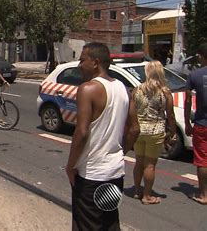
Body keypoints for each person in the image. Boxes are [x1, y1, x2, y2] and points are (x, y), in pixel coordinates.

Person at [66, 42, 139, 230]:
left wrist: (70, 165)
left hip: (91, 175)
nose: (79, 64)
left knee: (86, 225)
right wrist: (121, 152)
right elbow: (134, 129)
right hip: (115, 172)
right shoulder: (123, 88)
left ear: (95, 62)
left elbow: (81, 132)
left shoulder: (87, 88)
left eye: (83, 60)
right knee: (110, 222)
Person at [132, 61, 176, 205]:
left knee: (139, 162)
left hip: (139, 130)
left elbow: (131, 111)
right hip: (155, 131)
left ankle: (137, 190)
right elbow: (170, 115)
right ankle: (147, 196)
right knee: (150, 165)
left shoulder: (137, 89)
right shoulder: (165, 92)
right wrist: (173, 132)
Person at [184, 42, 207, 205]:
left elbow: (187, 101)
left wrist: (187, 123)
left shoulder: (195, 75)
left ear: (202, 56)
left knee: (202, 160)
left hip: (202, 124)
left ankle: (204, 194)